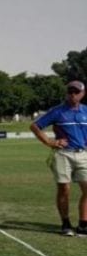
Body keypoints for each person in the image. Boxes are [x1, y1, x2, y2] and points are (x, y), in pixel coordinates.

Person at [30, 80, 87, 236]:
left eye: (76, 92)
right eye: (70, 91)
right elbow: (35, 126)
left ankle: (83, 224)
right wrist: (50, 142)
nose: (73, 94)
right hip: (63, 154)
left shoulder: (86, 111)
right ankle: (66, 223)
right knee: (64, 189)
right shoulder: (58, 111)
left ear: (83, 93)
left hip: (83, 154)